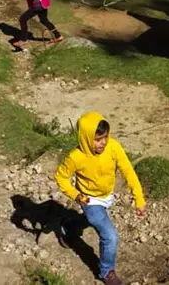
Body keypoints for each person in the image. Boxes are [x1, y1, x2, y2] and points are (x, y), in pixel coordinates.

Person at [55, 112, 146, 285]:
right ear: (87, 138)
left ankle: (69, 228)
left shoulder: (113, 147)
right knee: (110, 236)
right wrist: (76, 195)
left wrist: (139, 199)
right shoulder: (76, 157)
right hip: (89, 199)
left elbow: (128, 171)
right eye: (97, 139)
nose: (102, 142)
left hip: (107, 195)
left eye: (104, 137)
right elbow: (61, 177)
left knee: (92, 221)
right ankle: (106, 272)